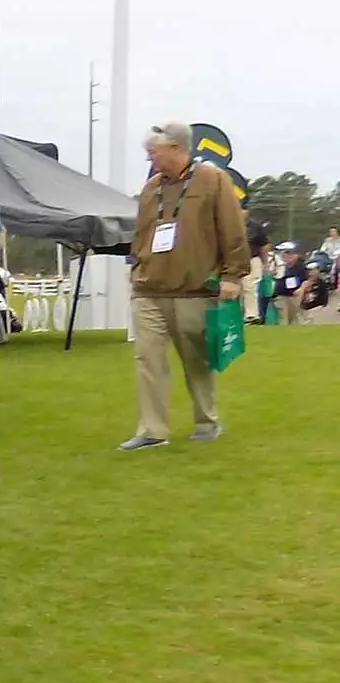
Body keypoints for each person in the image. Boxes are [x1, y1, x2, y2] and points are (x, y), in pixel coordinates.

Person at [120, 121, 248, 450]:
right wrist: (136, 270)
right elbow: (143, 235)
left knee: (197, 360)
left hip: (194, 288)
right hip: (149, 289)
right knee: (147, 359)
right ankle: (152, 430)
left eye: (155, 152)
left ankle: (207, 420)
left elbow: (232, 229)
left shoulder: (213, 180)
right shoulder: (150, 188)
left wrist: (233, 275)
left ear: (177, 147)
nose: (151, 159)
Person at [274, 243, 313, 325]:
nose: (283, 256)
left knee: (297, 320)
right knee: (283, 320)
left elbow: (307, 281)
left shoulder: (300, 267)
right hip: (281, 296)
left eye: (286, 253)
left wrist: (302, 290)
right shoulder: (280, 267)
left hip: (295, 296)